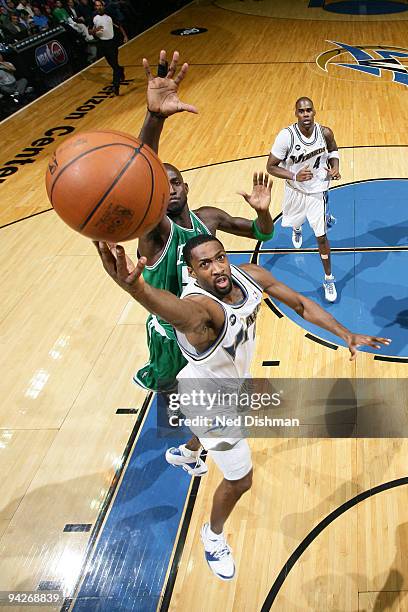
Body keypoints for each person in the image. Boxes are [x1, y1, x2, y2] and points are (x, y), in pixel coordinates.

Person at [94, 234, 390, 580]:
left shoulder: (248, 275)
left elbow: (299, 304)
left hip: (225, 383)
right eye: (205, 264)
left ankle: (188, 454)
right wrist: (138, 290)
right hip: (209, 405)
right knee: (240, 480)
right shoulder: (200, 310)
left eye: (220, 258)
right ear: (191, 273)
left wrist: (345, 333)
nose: (218, 268)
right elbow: (175, 311)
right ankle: (213, 536)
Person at [135, 50, 275, 476]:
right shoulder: (155, 230)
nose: (170, 189)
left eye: (176, 181)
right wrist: (154, 118)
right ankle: (192, 449)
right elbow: (138, 173)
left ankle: (193, 451)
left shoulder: (209, 219)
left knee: (216, 402)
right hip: (170, 334)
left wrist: (265, 212)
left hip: (207, 329)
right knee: (187, 403)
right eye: (163, 183)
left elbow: (262, 233)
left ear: (187, 185)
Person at [266, 97, 341, 302]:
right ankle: (298, 227)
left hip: (317, 190)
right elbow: (270, 166)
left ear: (314, 112)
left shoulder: (324, 132)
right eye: (301, 111)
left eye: (309, 110)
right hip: (295, 190)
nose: (306, 114)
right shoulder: (286, 137)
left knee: (321, 236)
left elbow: (334, 150)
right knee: (295, 221)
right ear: (296, 113)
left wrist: (335, 168)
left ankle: (328, 278)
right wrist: (294, 176)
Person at [91, 0, 127, 95]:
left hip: (112, 43)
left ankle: (116, 86)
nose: (98, 7)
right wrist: (95, 30)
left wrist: (125, 36)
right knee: (113, 64)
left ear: (103, 6)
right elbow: (90, 31)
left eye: (100, 5)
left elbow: (119, 26)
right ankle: (121, 69)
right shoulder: (94, 18)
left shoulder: (110, 16)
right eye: (97, 6)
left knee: (114, 65)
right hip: (102, 44)